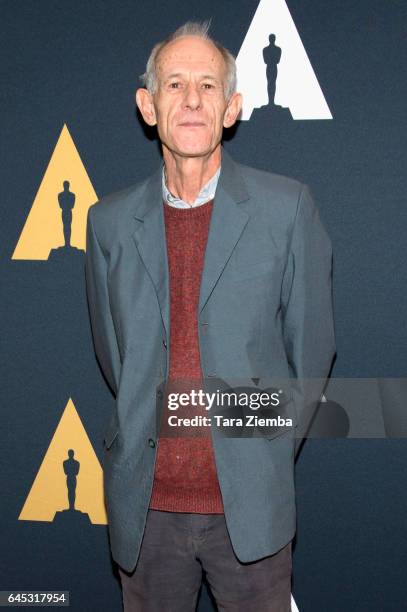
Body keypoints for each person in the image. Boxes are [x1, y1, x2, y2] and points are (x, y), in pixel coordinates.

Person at [85, 20, 336, 612]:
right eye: (174, 85)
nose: (192, 99)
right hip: (145, 519)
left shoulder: (287, 208)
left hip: (250, 514)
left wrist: (252, 451)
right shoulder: (109, 223)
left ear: (232, 108)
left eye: (208, 85)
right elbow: (117, 358)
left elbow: (309, 358)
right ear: (148, 107)